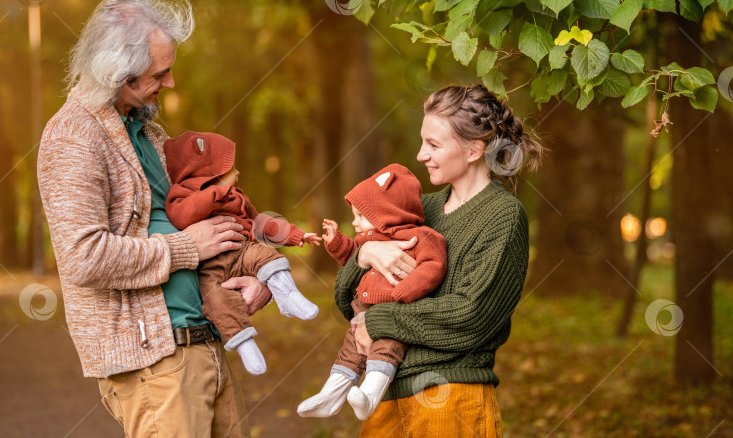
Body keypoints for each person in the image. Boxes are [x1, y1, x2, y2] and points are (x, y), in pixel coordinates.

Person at [37, 0, 268, 438]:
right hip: (155, 362)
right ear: (120, 75)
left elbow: (196, 212)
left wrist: (250, 274)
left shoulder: (145, 131)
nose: (171, 82)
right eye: (160, 73)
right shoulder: (73, 136)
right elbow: (84, 257)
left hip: (204, 345)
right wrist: (186, 249)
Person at [333, 85, 542, 437]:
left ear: (474, 150)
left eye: (433, 144)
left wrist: (381, 319)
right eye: (422, 142)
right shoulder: (417, 210)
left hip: (452, 399)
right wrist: (365, 254)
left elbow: (470, 317)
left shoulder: (503, 216)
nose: (420, 155)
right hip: (384, 395)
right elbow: (347, 298)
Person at [162, 130, 321, 375]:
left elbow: (260, 222)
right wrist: (214, 193)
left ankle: (288, 296)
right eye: (231, 169)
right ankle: (245, 345)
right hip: (210, 269)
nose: (238, 173)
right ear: (211, 173)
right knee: (217, 301)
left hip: (243, 250)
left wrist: (294, 235)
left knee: (267, 255)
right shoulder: (183, 194)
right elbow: (182, 215)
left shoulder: (237, 196)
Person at [297, 163, 446, 420]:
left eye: (360, 216)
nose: (354, 222)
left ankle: (369, 395)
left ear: (385, 214)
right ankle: (330, 396)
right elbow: (352, 256)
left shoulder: (421, 237)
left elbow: (433, 266)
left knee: (385, 350)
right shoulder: (369, 240)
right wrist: (336, 242)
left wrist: (405, 291)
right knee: (349, 352)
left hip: (393, 312)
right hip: (360, 311)